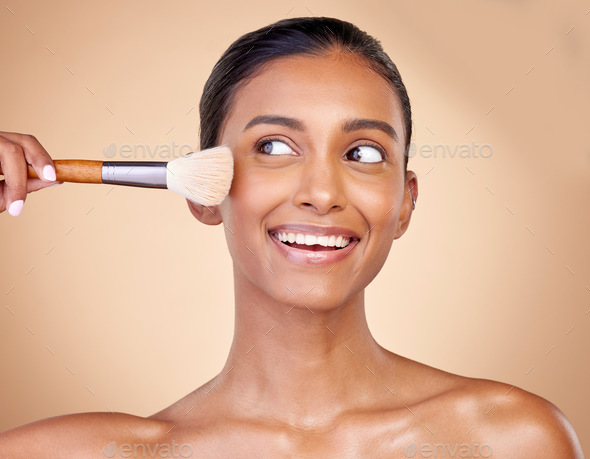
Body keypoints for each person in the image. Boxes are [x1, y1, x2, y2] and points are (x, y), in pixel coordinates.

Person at [0, 16, 583, 458]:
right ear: (206, 192)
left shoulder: (509, 439)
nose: (323, 193)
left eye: (363, 152)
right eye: (274, 147)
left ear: (405, 202)